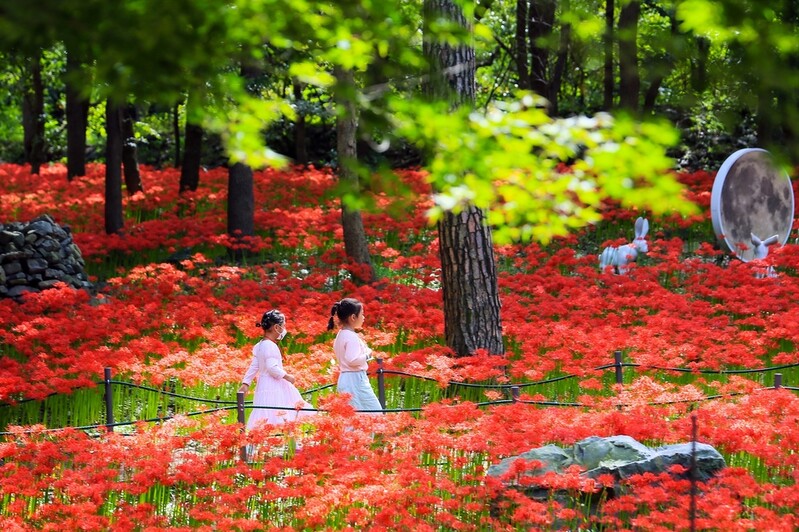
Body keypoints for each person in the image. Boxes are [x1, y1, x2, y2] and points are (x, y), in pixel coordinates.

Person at [238, 309, 313, 430]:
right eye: (284, 326)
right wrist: (287, 376)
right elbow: (272, 368)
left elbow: (254, 366)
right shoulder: (270, 346)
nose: (284, 329)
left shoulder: (260, 345)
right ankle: (291, 444)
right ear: (277, 327)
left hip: (263, 384)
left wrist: (246, 383)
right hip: (273, 385)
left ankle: (260, 444)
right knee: (282, 413)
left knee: (265, 413)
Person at [328, 298, 382, 413]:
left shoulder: (341, 334)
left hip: (347, 378)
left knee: (353, 416)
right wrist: (368, 354)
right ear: (353, 317)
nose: (364, 317)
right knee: (374, 413)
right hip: (355, 379)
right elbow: (352, 360)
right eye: (362, 314)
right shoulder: (351, 336)